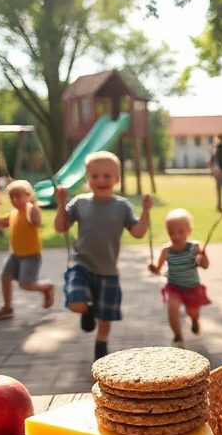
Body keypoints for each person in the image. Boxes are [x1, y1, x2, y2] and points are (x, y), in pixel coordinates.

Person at [54, 150, 153, 361]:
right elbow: (61, 227)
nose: (101, 180)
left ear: (117, 179)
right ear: (87, 179)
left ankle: (101, 344)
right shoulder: (79, 203)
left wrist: (145, 211)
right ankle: (86, 310)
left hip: (108, 270)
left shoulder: (122, 206)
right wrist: (61, 204)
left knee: (105, 316)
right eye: (95, 176)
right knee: (75, 302)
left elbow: (138, 232)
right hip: (81, 264)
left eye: (107, 176)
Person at [0, 179, 54, 321]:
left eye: (18, 196)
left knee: (26, 284)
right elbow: (0, 224)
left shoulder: (30, 210)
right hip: (15, 254)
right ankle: (7, 308)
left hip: (30, 255)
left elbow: (36, 221)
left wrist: (34, 208)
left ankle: (46, 287)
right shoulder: (14, 213)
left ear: (28, 196)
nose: (14, 200)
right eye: (11, 197)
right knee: (5, 276)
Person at [150, 208, 210, 348]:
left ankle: (194, 320)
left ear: (189, 231)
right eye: (171, 233)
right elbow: (158, 268)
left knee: (192, 312)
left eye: (180, 232)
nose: (176, 236)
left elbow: (205, 265)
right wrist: (153, 267)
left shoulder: (195, 247)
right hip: (174, 286)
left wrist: (202, 257)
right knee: (172, 306)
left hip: (192, 287)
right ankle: (178, 337)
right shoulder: (166, 250)